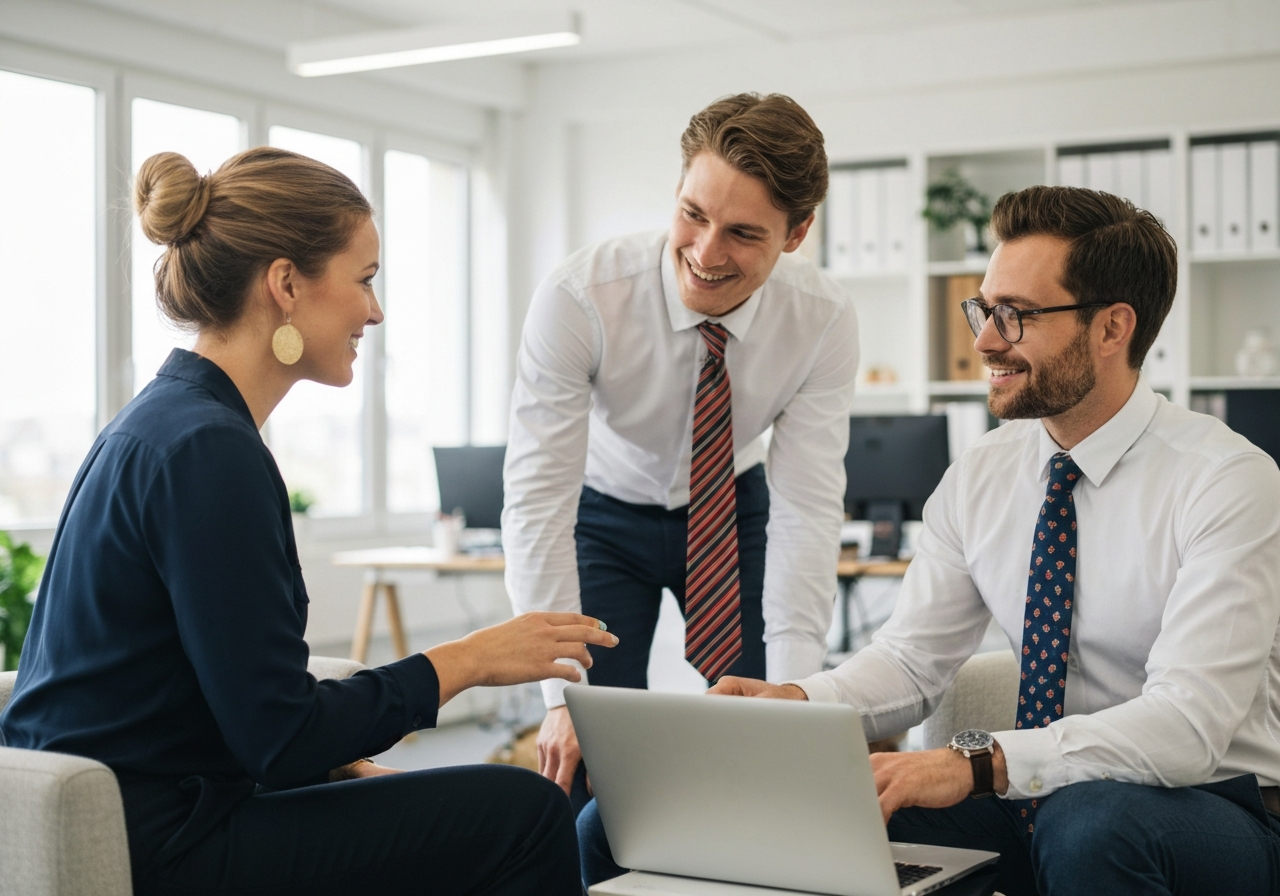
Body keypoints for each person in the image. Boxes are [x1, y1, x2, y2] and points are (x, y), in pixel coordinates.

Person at [0, 147, 617, 896]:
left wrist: (341, 765)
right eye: (363, 280)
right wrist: (470, 659)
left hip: (156, 809)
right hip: (167, 845)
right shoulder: (208, 449)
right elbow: (280, 737)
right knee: (524, 813)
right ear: (287, 284)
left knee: (443, 806)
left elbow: (206, 690)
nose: (376, 311)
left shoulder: (165, 423)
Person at [690, 185, 1280, 896]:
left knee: (1090, 822)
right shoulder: (983, 473)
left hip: (1212, 807)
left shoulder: (1227, 481)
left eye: (1016, 316)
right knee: (773, 811)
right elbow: (911, 660)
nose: (984, 340)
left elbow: (1188, 727)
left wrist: (974, 764)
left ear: (1112, 328)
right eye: (985, 309)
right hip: (1032, 801)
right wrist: (797, 702)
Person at [501, 93, 859, 814]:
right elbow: (538, 498)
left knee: (759, 739)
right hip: (603, 517)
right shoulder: (582, 297)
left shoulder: (822, 320)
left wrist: (798, 694)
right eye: (694, 215)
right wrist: (561, 697)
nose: (705, 252)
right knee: (593, 747)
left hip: (736, 508)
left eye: (743, 233)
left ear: (796, 234)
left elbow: (808, 511)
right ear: (678, 191)